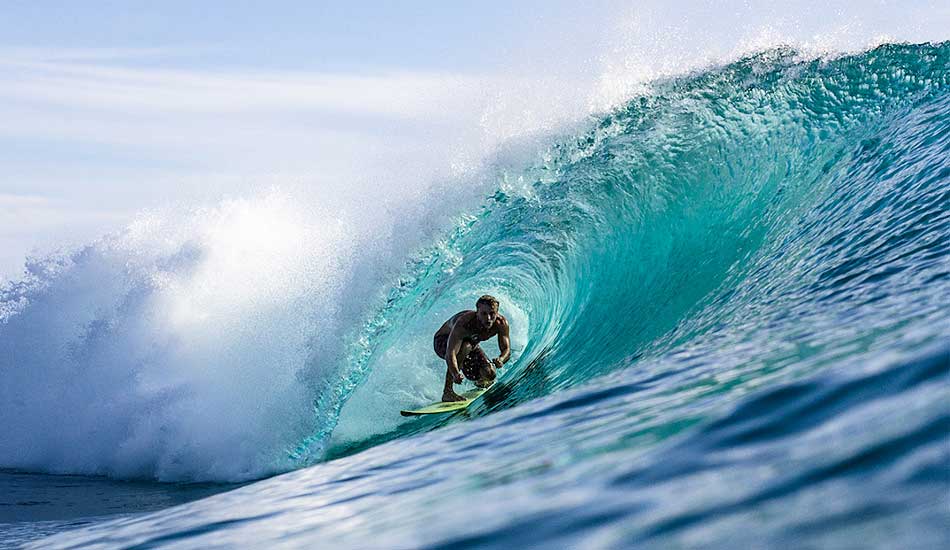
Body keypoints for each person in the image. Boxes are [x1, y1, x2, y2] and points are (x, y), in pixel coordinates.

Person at [433, 295, 511, 402]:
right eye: (484, 314)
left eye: (492, 313)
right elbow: (450, 353)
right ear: (477, 312)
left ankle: (479, 381)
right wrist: (455, 373)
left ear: (497, 313)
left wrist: (501, 359)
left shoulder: (501, 324)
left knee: (489, 373)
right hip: (442, 342)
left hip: (469, 344)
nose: (488, 318)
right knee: (466, 346)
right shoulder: (464, 323)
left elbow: (506, 349)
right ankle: (447, 392)